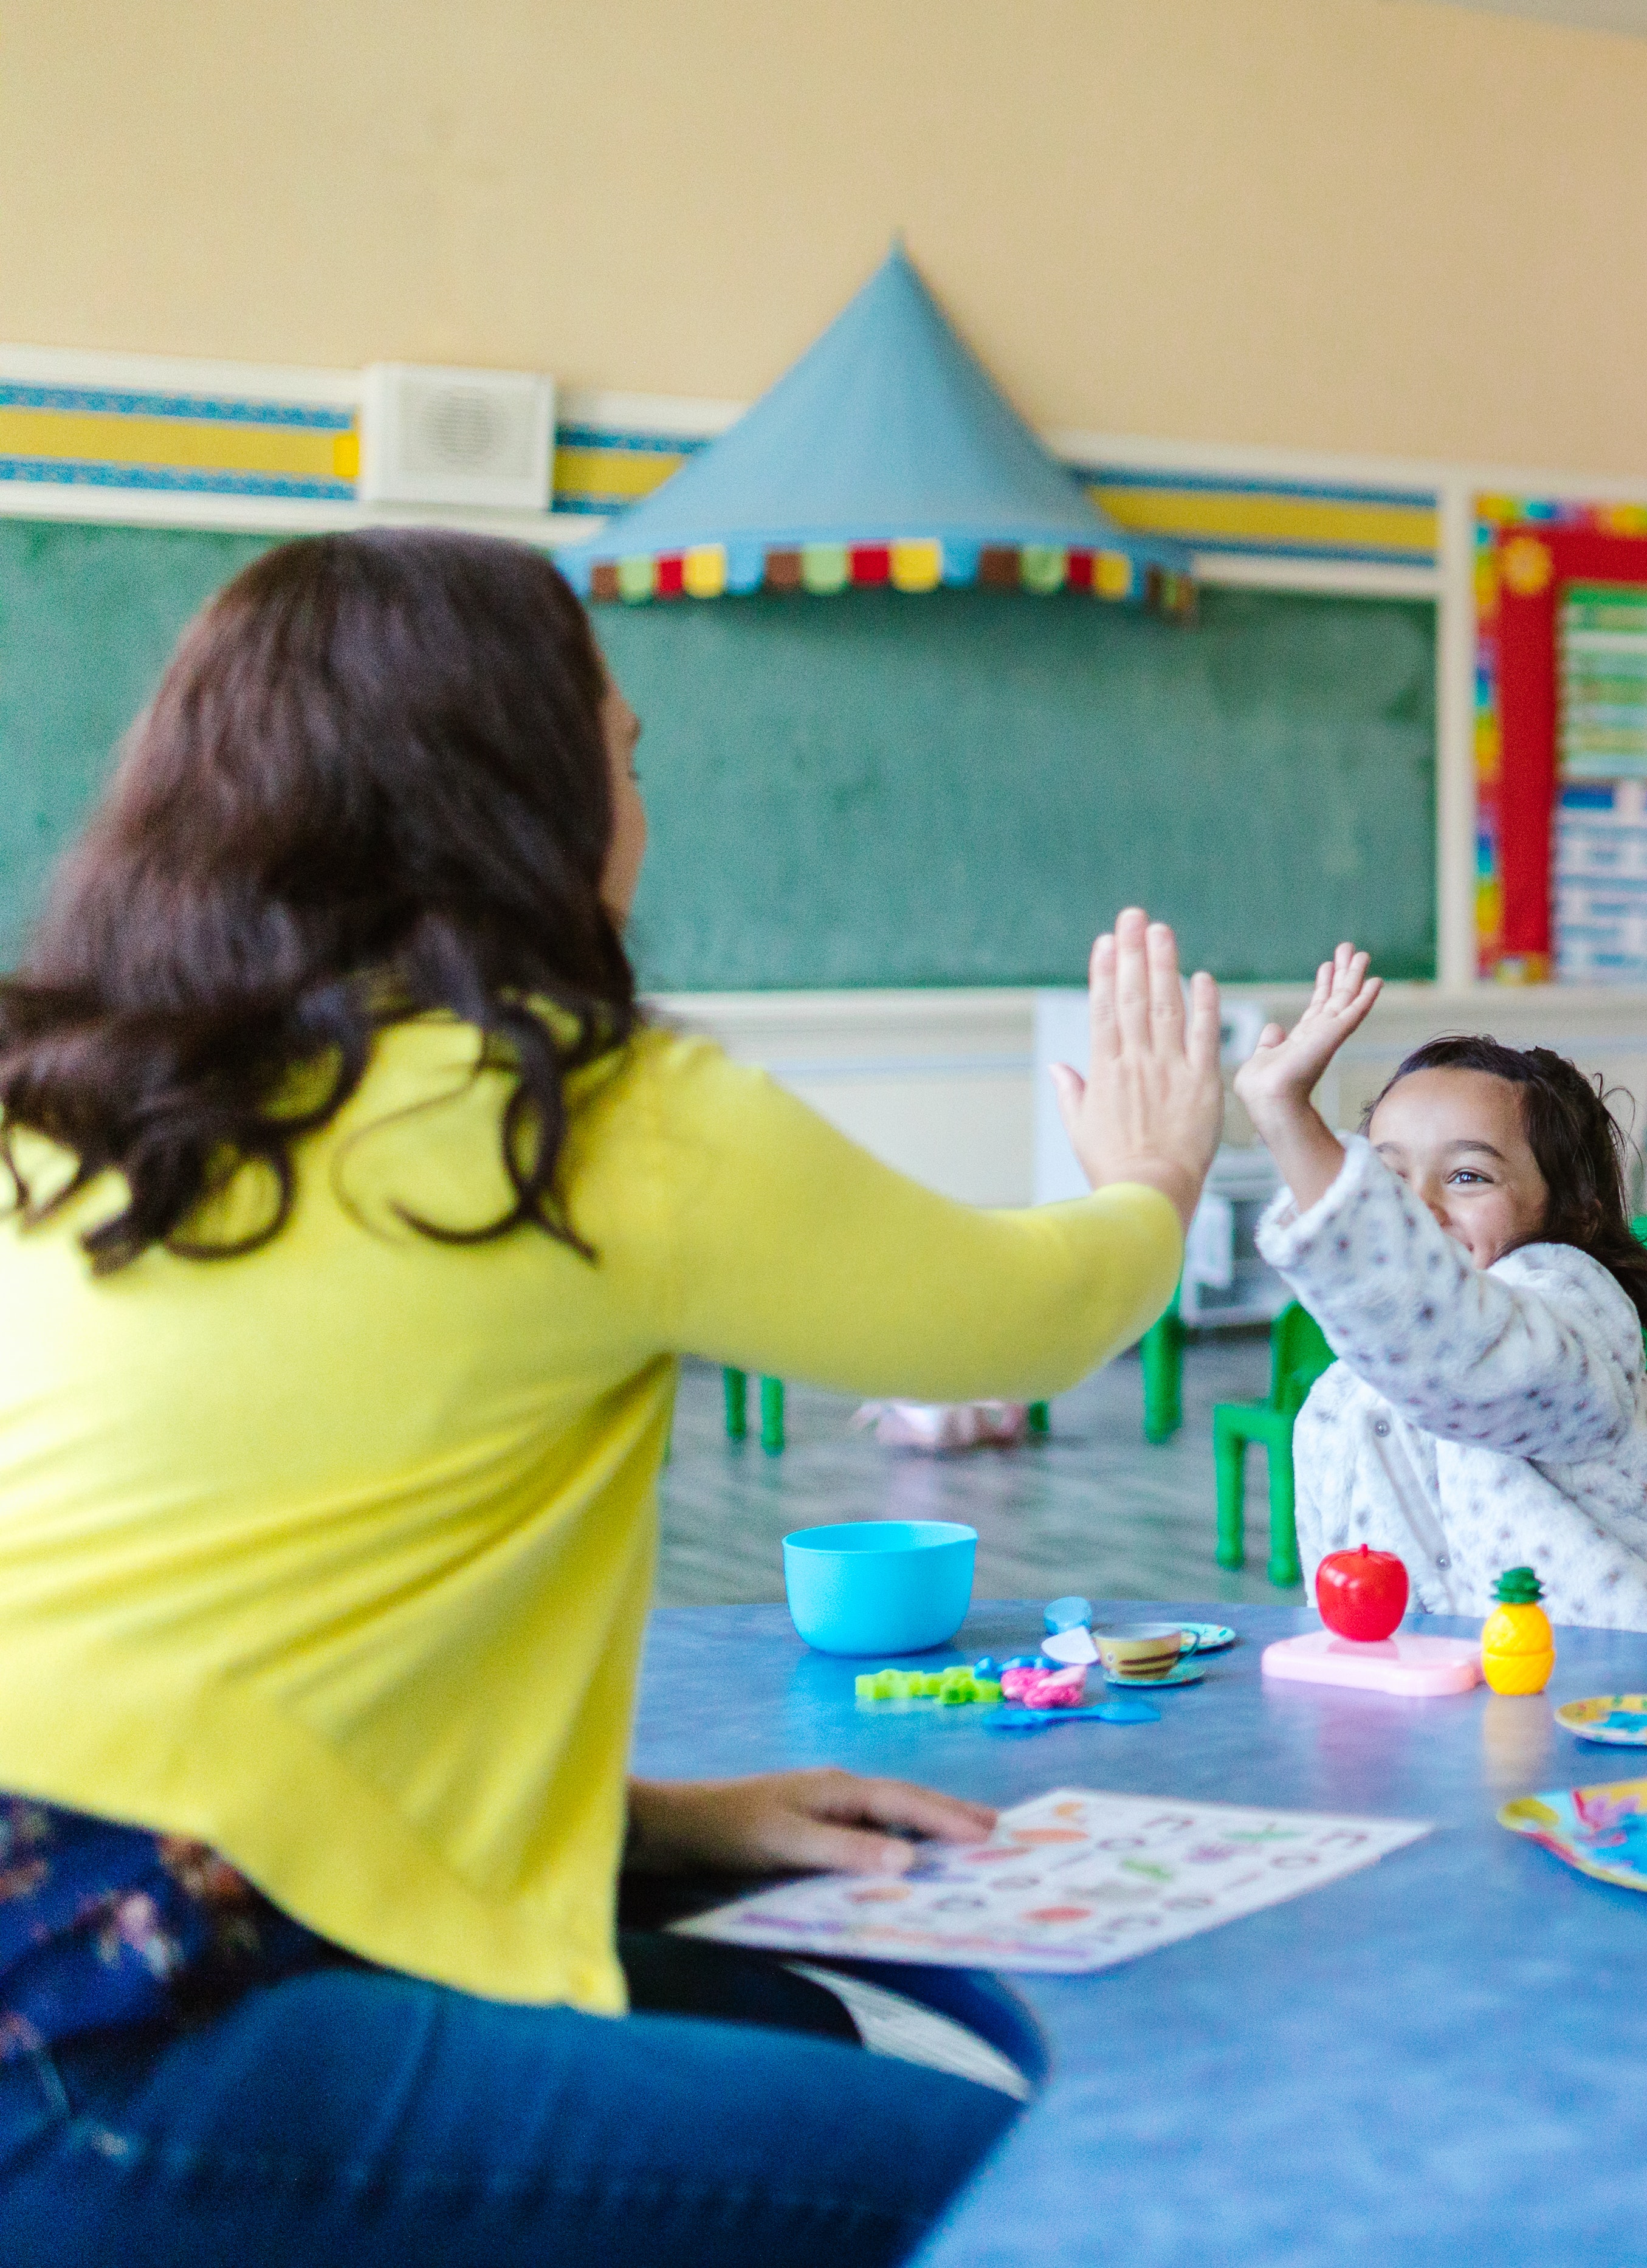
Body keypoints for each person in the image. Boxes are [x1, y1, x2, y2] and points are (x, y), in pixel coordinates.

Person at [0, 528, 1223, 2266]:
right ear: (514, 792)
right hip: (102, 2019)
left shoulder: (63, 1101)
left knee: (782, 2030)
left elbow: (194, 1647)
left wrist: (657, 1825)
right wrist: (1154, 1180)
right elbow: (1016, 1324)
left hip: (90, 1927)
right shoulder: (568, 1111)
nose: (637, 811)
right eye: (624, 757)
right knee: (1001, 2180)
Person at [1233, 945, 1647, 1640]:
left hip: (1636, 1701)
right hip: (1457, 1716)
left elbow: (1464, 1356)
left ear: (1575, 1210)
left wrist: (1289, 1120)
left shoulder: (1574, 1316)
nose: (1418, 1207)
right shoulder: (1341, 1397)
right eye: (1386, 1178)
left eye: (1468, 1177)